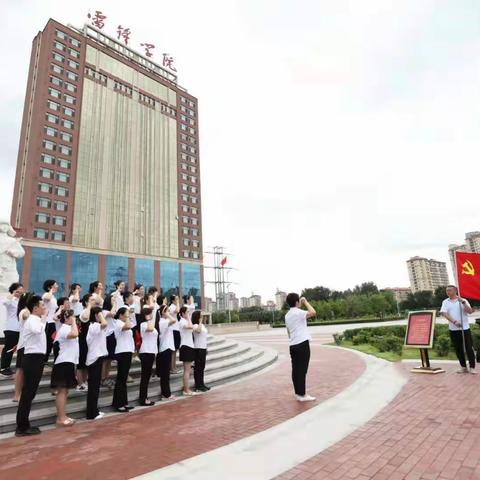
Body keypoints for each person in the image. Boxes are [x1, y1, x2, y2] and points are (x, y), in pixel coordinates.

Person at [15, 295, 47, 436]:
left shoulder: (36, 320)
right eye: (42, 306)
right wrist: (45, 319)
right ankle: (21, 427)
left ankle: (25, 423)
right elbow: (37, 330)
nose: (44, 308)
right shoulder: (33, 320)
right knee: (28, 392)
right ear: (35, 308)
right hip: (32, 358)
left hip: (36, 358)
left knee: (30, 392)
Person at [285, 293, 316, 402]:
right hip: (302, 344)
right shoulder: (298, 313)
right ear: (297, 302)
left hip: (293, 345)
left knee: (295, 370)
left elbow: (288, 331)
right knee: (302, 370)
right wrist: (305, 301)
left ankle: (298, 393)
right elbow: (313, 312)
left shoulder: (287, 315)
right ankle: (302, 395)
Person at [51, 309, 79, 427]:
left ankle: (63, 416)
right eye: (73, 317)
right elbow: (74, 334)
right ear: (67, 318)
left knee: (65, 391)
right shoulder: (64, 329)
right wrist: (73, 322)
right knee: (62, 391)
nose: (75, 320)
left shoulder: (68, 328)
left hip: (68, 362)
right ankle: (60, 418)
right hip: (63, 363)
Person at [440, 285, 476, 374]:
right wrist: (454, 322)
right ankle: (463, 367)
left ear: (455, 290)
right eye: (447, 291)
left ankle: (472, 367)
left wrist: (463, 303)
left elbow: (470, 311)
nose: (448, 292)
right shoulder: (445, 302)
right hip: (453, 329)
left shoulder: (463, 300)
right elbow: (444, 313)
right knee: (458, 348)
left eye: (450, 290)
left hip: (465, 328)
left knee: (469, 348)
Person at [85, 306, 108, 420]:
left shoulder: (97, 326)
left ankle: (94, 410)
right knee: (93, 387)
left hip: (98, 357)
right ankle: (91, 413)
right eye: (100, 314)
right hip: (94, 359)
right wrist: (100, 315)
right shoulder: (93, 326)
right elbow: (104, 324)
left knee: (95, 386)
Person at [112, 307, 135, 412]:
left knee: (123, 378)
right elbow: (128, 326)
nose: (127, 316)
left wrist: (130, 315)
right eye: (125, 314)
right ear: (121, 315)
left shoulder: (124, 322)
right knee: (121, 378)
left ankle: (124, 402)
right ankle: (118, 404)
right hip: (122, 352)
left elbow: (132, 324)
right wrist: (128, 317)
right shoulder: (118, 323)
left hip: (127, 351)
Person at [13, 292, 34, 403]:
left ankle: (22, 393)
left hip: (30, 346)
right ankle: (17, 394)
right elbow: (25, 315)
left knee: (24, 371)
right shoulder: (24, 311)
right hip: (24, 346)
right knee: (20, 370)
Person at [0, 282, 24, 376]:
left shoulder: (21, 301)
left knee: (13, 349)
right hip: (11, 328)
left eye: (22, 290)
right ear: (14, 290)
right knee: (8, 348)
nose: (21, 292)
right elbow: (5, 302)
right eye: (18, 290)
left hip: (19, 329)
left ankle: (8, 367)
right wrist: (13, 294)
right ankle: (3, 368)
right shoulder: (11, 299)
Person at [138, 306, 157, 406]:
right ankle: (143, 399)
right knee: (145, 377)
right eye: (149, 313)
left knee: (147, 376)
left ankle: (144, 397)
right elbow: (150, 329)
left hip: (151, 352)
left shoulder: (149, 323)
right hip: (146, 352)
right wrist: (149, 319)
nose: (151, 315)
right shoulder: (143, 324)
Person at [157, 304, 177, 399]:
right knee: (165, 373)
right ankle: (166, 393)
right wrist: (166, 313)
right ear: (162, 313)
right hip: (164, 349)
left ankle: (166, 392)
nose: (168, 312)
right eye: (166, 311)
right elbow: (173, 320)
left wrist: (166, 313)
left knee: (166, 373)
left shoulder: (165, 321)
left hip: (168, 348)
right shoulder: (162, 322)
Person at [178, 306, 197, 396]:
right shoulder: (182, 321)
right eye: (187, 312)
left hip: (189, 346)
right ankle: (186, 390)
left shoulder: (185, 321)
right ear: (182, 314)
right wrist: (189, 317)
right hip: (186, 346)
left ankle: (185, 387)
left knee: (188, 370)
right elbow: (190, 327)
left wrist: (188, 318)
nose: (189, 313)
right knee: (187, 370)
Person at [76, 294, 93, 391]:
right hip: (82, 341)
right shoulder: (83, 312)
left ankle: (85, 381)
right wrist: (89, 306)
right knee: (81, 363)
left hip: (90, 342)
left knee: (87, 363)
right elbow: (85, 317)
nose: (94, 301)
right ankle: (80, 383)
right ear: (86, 302)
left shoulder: (94, 312)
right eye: (91, 300)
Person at [101, 294, 117, 389]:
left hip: (112, 335)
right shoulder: (104, 311)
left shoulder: (112, 310)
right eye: (112, 299)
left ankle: (106, 377)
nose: (114, 300)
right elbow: (112, 313)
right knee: (105, 359)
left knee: (110, 359)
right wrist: (114, 304)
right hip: (107, 336)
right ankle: (102, 378)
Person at [192, 310, 210, 392]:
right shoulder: (195, 325)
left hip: (203, 348)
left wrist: (206, 348)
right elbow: (198, 331)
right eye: (200, 316)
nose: (201, 317)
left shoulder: (201, 325)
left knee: (202, 367)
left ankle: (202, 384)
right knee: (198, 368)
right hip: (198, 348)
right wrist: (199, 322)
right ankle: (198, 385)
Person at [42, 279, 58, 364]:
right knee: (47, 341)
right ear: (50, 287)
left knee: (51, 341)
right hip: (47, 322)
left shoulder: (54, 297)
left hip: (53, 322)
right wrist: (51, 290)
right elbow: (47, 298)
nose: (57, 286)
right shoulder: (46, 294)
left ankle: (46, 358)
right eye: (55, 285)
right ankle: (44, 359)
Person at [169, 295, 180, 373]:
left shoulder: (173, 306)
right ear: (173, 301)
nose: (178, 300)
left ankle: (174, 368)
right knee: (173, 351)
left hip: (176, 329)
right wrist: (178, 302)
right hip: (174, 330)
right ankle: (172, 368)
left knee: (175, 350)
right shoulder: (172, 307)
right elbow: (177, 310)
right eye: (176, 299)